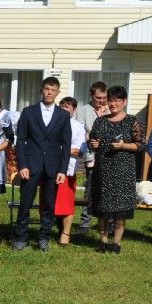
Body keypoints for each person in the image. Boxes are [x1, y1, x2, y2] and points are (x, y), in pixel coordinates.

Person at [11, 76, 72, 251]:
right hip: (30, 164)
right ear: (41, 90)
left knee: (49, 204)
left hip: (53, 167)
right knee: (26, 203)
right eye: (46, 89)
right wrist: (22, 165)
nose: (49, 92)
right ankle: (21, 237)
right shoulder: (29, 112)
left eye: (53, 90)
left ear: (58, 93)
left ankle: (43, 237)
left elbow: (66, 145)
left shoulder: (63, 115)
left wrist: (62, 169)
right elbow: (20, 140)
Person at [88, 85, 143, 253]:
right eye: (110, 100)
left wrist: (123, 145)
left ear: (124, 102)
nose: (113, 104)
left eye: (117, 100)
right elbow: (92, 141)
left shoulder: (132, 121)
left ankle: (117, 243)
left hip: (124, 171)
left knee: (121, 209)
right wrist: (93, 144)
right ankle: (103, 241)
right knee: (102, 208)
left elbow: (141, 145)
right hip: (103, 170)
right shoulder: (100, 121)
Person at [74, 82, 109, 234]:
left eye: (104, 97)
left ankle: (110, 223)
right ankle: (85, 223)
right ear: (91, 96)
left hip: (109, 154)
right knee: (90, 189)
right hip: (92, 154)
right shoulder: (83, 110)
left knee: (108, 189)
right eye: (98, 98)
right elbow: (81, 132)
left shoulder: (111, 109)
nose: (102, 101)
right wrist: (92, 137)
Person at [54, 96, 86, 245]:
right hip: (50, 168)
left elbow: (78, 150)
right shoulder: (51, 123)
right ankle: (52, 230)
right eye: (62, 106)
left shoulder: (78, 126)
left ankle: (65, 233)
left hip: (68, 169)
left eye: (68, 107)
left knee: (66, 203)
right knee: (50, 202)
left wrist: (58, 149)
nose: (64, 109)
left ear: (74, 110)